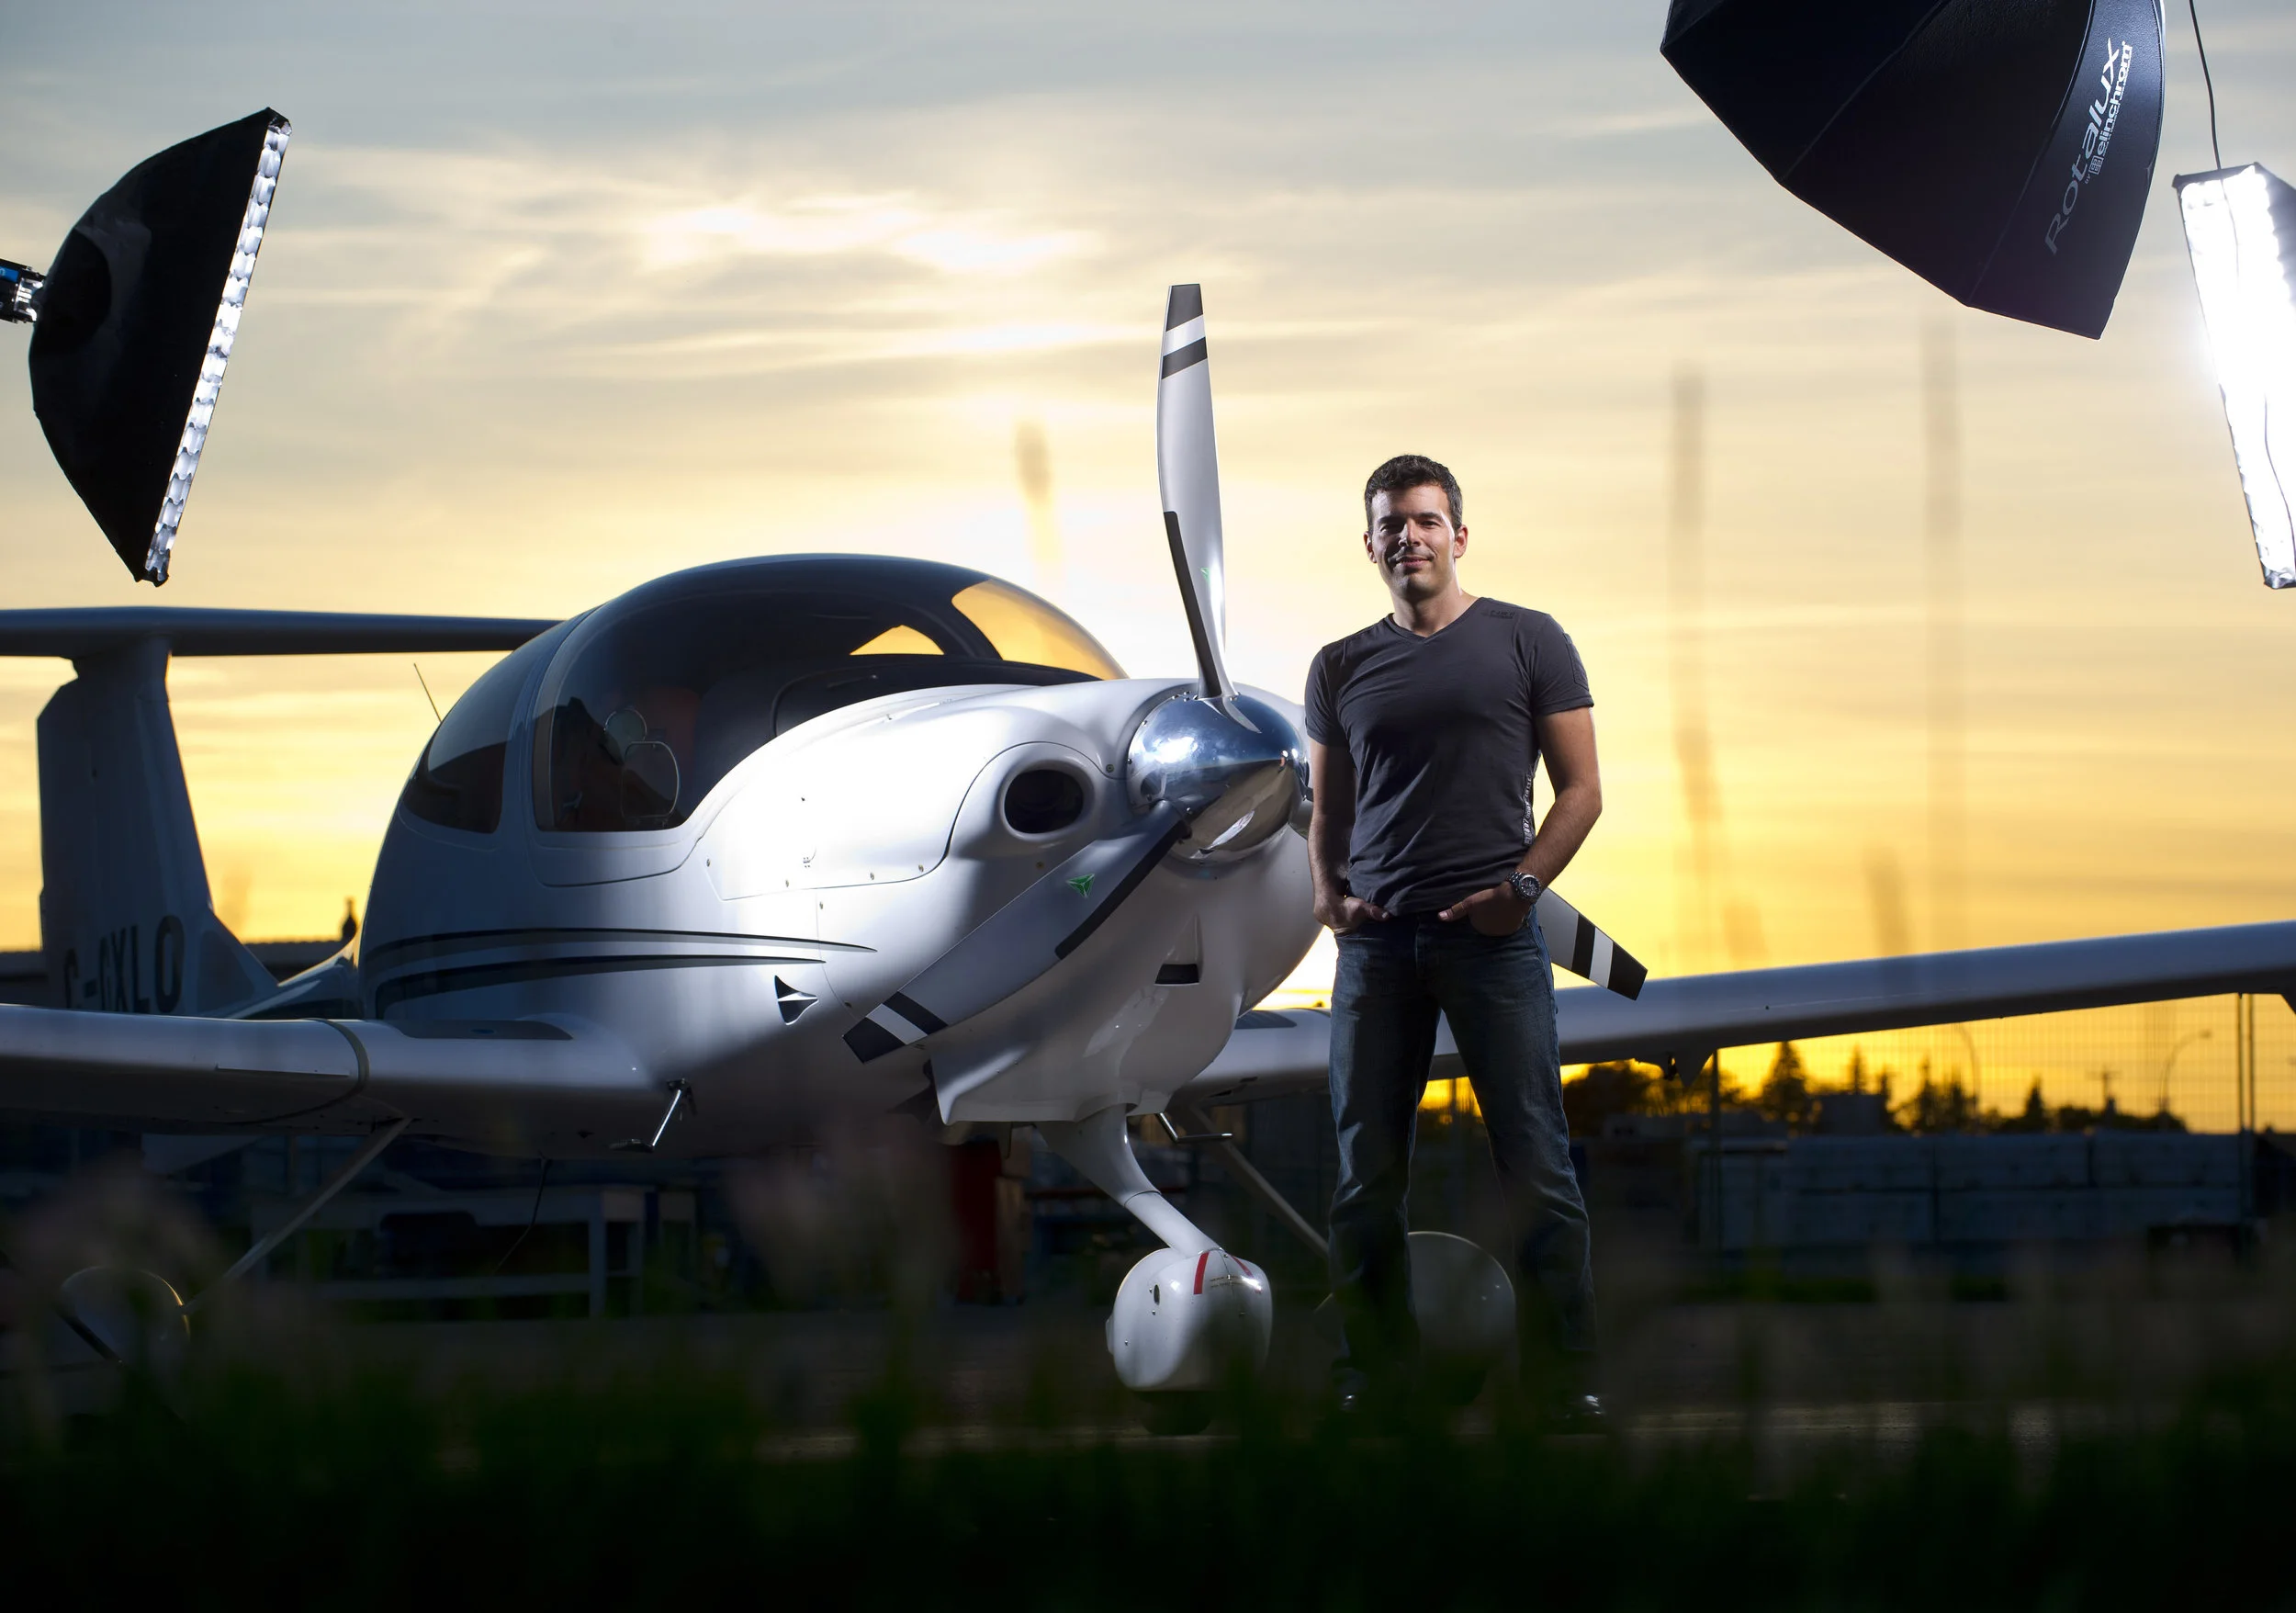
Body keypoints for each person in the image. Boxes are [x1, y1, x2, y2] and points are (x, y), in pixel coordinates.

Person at [1303, 453, 1604, 1425]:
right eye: (1392, 524)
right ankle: (1373, 1375)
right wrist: (1330, 901)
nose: (1410, 537)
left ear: (1459, 536)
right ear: (1370, 544)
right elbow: (1328, 810)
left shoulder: (1530, 640)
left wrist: (1520, 891)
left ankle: (1563, 1386)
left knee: (1536, 1165)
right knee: (1364, 1176)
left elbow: (1583, 791)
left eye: (1427, 521)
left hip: (1494, 943)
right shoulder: (1339, 665)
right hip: (1377, 950)